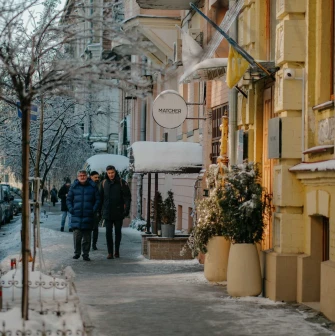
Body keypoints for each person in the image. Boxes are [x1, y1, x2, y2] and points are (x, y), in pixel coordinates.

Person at [66, 170, 100, 261]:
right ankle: (77, 253)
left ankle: (86, 254)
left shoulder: (92, 186)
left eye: (84, 175)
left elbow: (98, 199)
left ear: (87, 176)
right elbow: (68, 199)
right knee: (77, 236)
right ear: (78, 177)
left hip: (88, 215)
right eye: (80, 175)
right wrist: (71, 209)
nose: (82, 177)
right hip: (76, 214)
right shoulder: (74, 187)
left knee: (87, 237)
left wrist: (93, 209)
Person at [100, 165, 131, 259]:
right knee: (108, 233)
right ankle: (110, 252)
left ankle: (116, 251)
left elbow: (127, 197)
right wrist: (99, 211)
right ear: (107, 173)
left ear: (115, 172)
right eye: (109, 173)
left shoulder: (121, 182)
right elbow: (100, 198)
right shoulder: (104, 183)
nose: (111, 175)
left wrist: (126, 209)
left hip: (118, 212)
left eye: (112, 173)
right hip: (107, 212)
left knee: (118, 233)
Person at [89, 171, 101, 250]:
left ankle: (94, 244)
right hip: (89, 209)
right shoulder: (88, 185)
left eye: (98, 177)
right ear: (91, 177)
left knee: (95, 228)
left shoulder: (99, 185)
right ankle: (88, 243)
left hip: (97, 210)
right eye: (95, 177)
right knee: (88, 229)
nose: (97, 179)